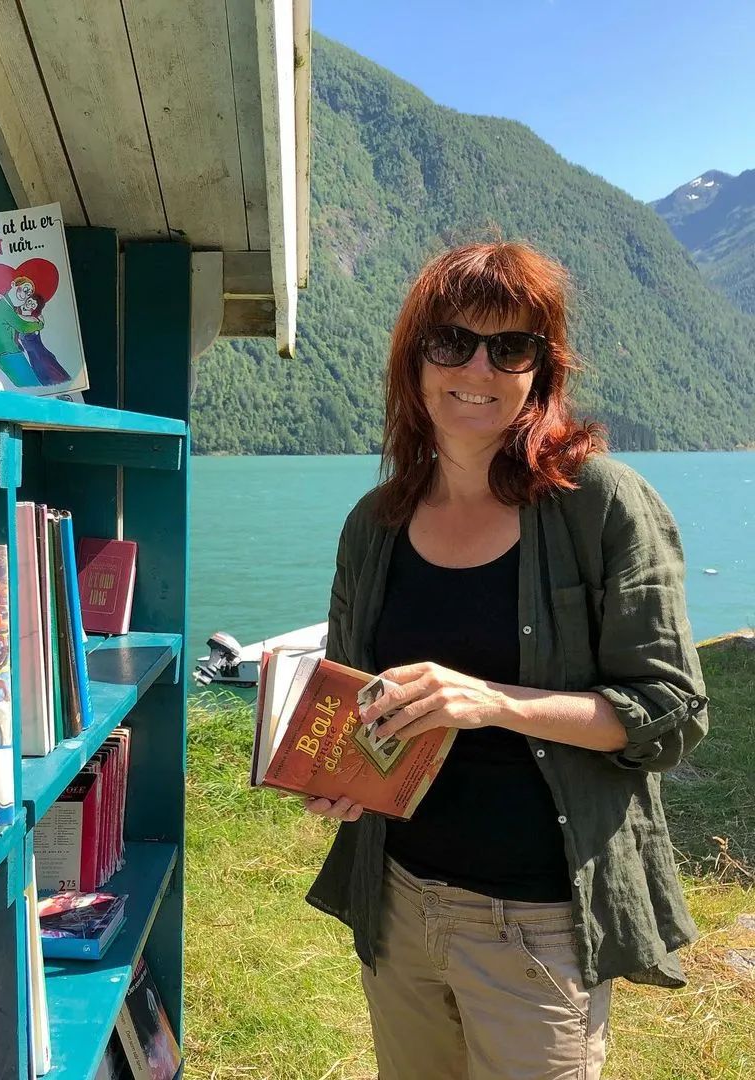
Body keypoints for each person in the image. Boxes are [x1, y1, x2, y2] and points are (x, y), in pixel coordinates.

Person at [304, 241, 709, 1080]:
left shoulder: (601, 505)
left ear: (541, 370)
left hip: (539, 921)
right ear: (415, 362)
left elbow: (669, 712)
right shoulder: (374, 525)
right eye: (451, 342)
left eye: (510, 346)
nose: (478, 369)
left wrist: (491, 701)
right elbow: (354, 699)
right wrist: (339, 773)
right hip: (399, 900)